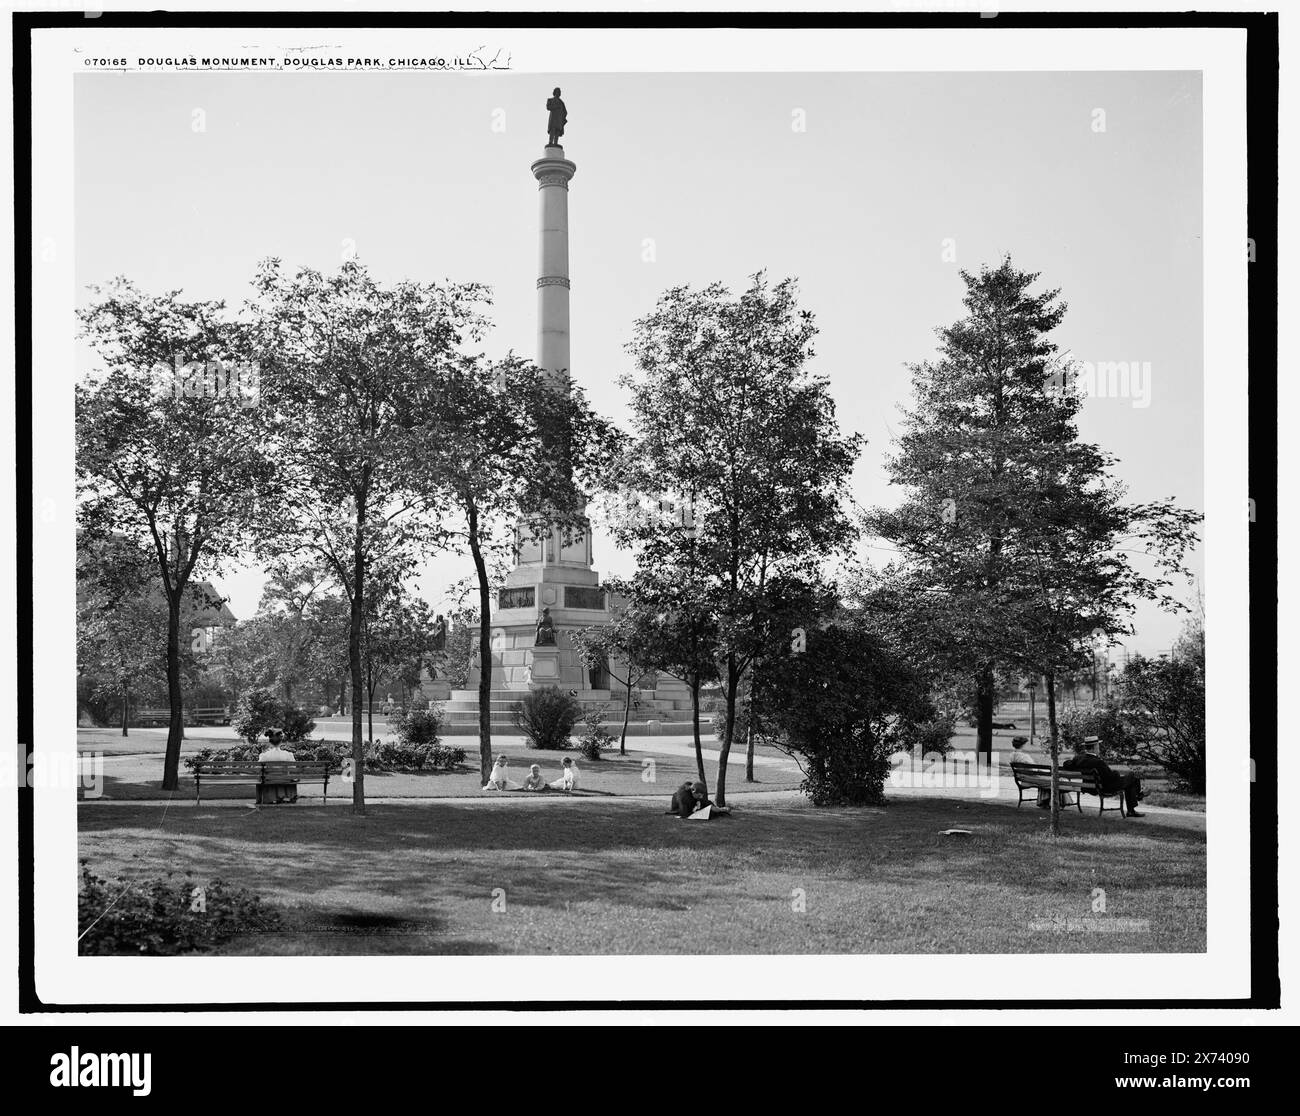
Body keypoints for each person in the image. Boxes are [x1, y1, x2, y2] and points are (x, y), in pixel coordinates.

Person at [1062, 738, 1146, 817]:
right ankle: (1138, 796)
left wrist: (1074, 762)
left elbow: (1066, 764)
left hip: (1091, 787)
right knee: (1132, 775)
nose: (1099, 748)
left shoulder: (1079, 758)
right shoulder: (1098, 762)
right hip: (1105, 787)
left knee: (1130, 781)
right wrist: (1116, 773)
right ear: (1094, 747)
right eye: (1098, 746)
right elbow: (1110, 777)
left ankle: (1135, 803)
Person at [257, 729, 297, 804]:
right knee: (291, 778)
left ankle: (269, 797)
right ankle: (287, 796)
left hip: (269, 780)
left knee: (263, 778)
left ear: (270, 741)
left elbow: (259, 769)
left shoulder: (264, 756)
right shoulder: (288, 755)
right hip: (285, 779)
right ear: (281, 742)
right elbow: (293, 768)